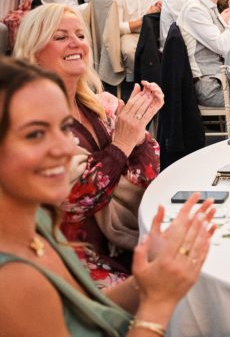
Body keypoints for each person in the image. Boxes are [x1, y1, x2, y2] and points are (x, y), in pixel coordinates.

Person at [0, 56, 217, 336]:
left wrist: (150, 275)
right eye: (35, 134)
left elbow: (90, 312)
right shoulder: (13, 279)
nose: (65, 149)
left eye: (64, 128)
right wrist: (158, 302)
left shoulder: (38, 222)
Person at [13, 4, 164, 287]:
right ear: (33, 52)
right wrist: (122, 143)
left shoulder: (95, 105)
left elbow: (145, 176)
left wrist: (138, 130)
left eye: (81, 35)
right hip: (71, 254)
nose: (76, 43)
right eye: (60, 37)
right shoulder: (30, 119)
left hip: (121, 238)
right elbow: (75, 201)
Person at [107, 0, 162, 77]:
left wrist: (160, 9)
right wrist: (145, 18)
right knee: (130, 51)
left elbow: (157, 15)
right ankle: (136, 83)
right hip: (129, 35)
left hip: (152, 33)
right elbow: (117, 28)